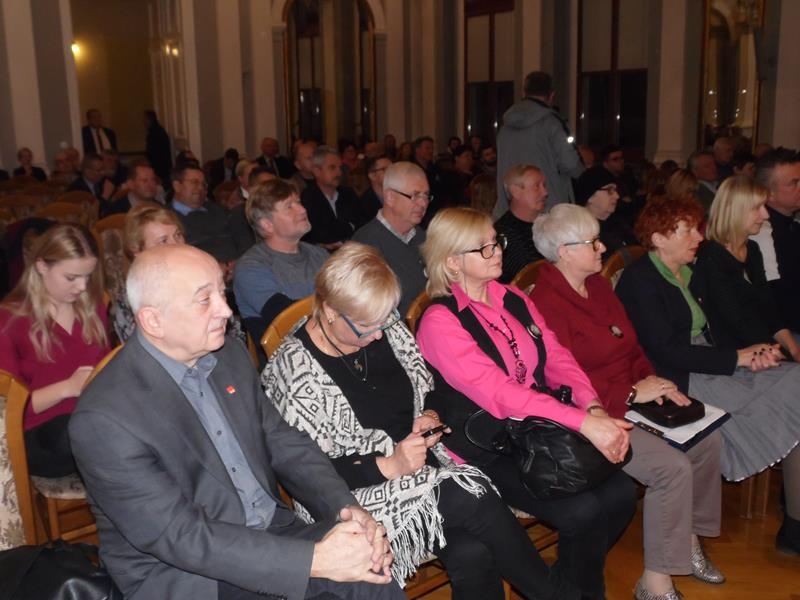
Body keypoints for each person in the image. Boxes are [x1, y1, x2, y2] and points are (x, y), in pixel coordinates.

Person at [69, 244, 402, 600]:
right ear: (153, 321)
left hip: (271, 535)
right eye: (205, 299)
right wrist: (313, 561)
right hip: (189, 576)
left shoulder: (228, 354)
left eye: (221, 291)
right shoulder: (104, 419)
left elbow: (284, 443)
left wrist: (345, 510)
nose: (226, 310)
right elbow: (180, 536)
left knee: (372, 571)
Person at [263, 242, 580, 600]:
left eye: (384, 320)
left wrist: (429, 414)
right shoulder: (293, 374)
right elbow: (305, 473)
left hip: (425, 469)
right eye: (367, 326)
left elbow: (433, 387)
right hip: (353, 495)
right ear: (331, 311)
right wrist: (388, 466)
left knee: (472, 551)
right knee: (471, 492)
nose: (379, 334)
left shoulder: (385, 325)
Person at [416, 207, 637, 600]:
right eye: (483, 248)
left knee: (621, 494)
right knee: (583, 512)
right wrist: (582, 424)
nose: (497, 251)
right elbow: (500, 394)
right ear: (452, 262)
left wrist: (592, 408)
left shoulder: (513, 297)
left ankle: (572, 590)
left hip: (535, 432)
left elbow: (557, 358)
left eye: (496, 241)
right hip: (487, 447)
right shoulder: (440, 321)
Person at [530, 204, 724, 600]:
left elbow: (631, 346)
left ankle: (687, 539)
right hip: (593, 414)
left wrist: (656, 382)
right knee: (671, 467)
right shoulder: (546, 303)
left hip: (634, 396)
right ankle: (654, 582)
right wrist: (631, 394)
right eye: (592, 242)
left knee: (707, 440)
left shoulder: (598, 285)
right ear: (564, 252)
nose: (602, 247)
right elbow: (562, 380)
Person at [615, 195, 800, 556]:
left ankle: (794, 523)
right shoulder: (641, 281)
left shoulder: (688, 271)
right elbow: (666, 352)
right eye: (687, 231)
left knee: (794, 385)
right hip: (680, 378)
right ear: (659, 239)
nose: (699, 237)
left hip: (709, 363)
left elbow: (719, 327)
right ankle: (793, 526)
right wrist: (736, 358)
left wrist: (752, 353)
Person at [0, 224, 109, 477]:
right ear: (41, 266)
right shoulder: (10, 321)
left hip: (93, 418)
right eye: (71, 278)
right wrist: (68, 387)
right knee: (74, 431)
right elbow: (8, 411)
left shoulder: (93, 309)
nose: (82, 287)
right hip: (39, 432)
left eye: (88, 276)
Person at [693, 176, 800, 360]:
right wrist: (781, 354)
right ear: (734, 211)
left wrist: (793, 349)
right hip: (737, 355)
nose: (765, 215)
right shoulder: (711, 257)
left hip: (762, 345)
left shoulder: (752, 249)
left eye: (764, 206)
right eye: (757, 208)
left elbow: (769, 309)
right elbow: (736, 322)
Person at [233, 179, 327, 351]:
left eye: (298, 202)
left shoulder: (319, 254)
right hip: (290, 358)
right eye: (289, 207)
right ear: (267, 225)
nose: (302, 209)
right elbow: (287, 317)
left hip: (335, 345)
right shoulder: (250, 268)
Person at [495, 71, 584, 217]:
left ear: (524, 93)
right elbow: (571, 164)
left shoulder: (505, 126)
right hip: (547, 209)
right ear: (552, 95)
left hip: (510, 209)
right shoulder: (552, 123)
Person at [352, 162, 429, 315]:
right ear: (390, 197)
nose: (423, 203)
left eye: (426, 195)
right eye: (415, 195)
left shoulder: (422, 236)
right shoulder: (364, 246)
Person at [112, 202, 186, 341]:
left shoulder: (195, 277)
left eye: (178, 235)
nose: (177, 245)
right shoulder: (132, 301)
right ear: (138, 252)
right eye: (163, 241)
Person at [750, 148, 800, 333]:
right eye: (794, 183)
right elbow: (774, 297)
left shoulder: (792, 223)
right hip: (784, 330)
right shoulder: (762, 232)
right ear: (769, 193)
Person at [300, 145, 364, 250]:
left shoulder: (348, 194)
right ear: (316, 171)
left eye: (340, 167)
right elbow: (319, 235)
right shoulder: (307, 197)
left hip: (352, 251)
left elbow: (362, 225)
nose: (339, 173)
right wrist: (349, 227)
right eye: (332, 168)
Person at [493, 164, 547, 283]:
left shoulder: (550, 224)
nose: (545, 192)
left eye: (544, 185)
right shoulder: (503, 235)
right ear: (515, 192)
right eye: (537, 186)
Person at [574, 166, 637, 259]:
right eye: (609, 190)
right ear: (590, 197)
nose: (617, 196)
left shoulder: (621, 222)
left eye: (615, 190)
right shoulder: (580, 234)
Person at [144, 109, 172, 185]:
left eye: (145, 119)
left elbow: (153, 153)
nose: (144, 122)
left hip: (159, 167)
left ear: (149, 119)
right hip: (164, 166)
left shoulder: (153, 134)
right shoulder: (160, 131)